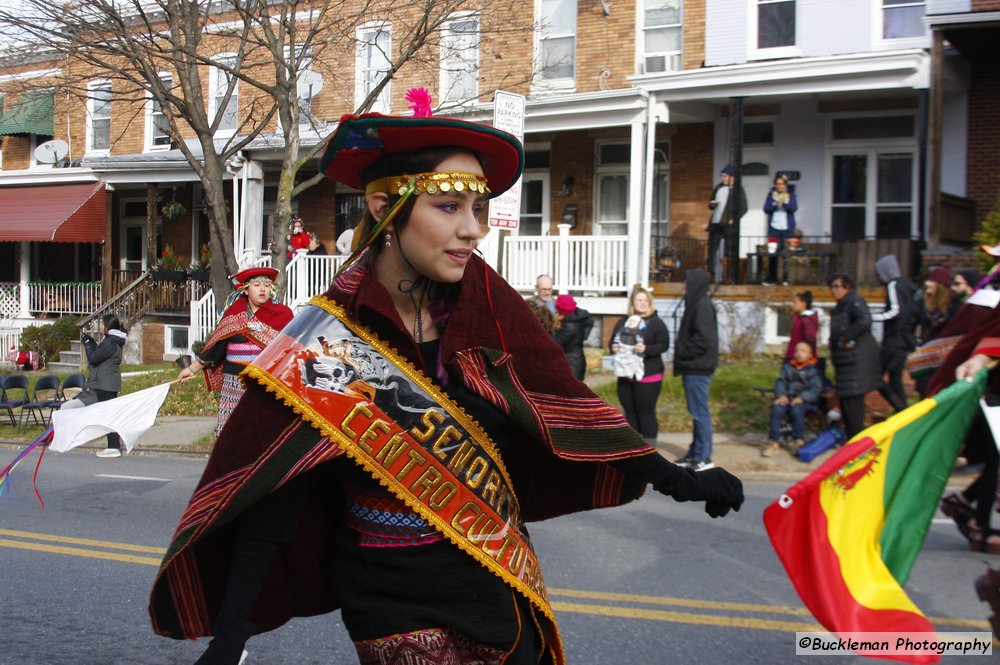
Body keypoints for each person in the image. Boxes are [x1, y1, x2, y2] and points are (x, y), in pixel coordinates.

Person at [150, 110, 743, 665]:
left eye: (479, 209)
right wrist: (228, 639)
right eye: (449, 207)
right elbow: (275, 487)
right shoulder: (323, 340)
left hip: (496, 581)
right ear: (385, 206)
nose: (472, 230)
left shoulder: (488, 309)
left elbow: (566, 411)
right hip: (390, 599)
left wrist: (677, 479)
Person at [177, 267, 294, 434]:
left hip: (266, 385)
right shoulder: (233, 314)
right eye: (257, 285)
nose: (263, 289)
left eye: (267, 285)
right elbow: (216, 348)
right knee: (231, 434)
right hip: (234, 383)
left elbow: (291, 351)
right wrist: (191, 369)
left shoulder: (283, 315)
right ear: (245, 290)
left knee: (263, 434)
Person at [60, 314, 128, 458]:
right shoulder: (112, 340)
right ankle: (113, 446)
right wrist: (92, 344)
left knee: (107, 416)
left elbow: (95, 358)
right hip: (104, 383)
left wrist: (89, 343)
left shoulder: (111, 341)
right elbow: (100, 355)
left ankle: (113, 447)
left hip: (104, 384)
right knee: (107, 415)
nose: (101, 327)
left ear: (108, 327)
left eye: (103, 324)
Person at [609, 287, 670, 445]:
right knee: (630, 411)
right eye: (639, 300)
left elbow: (664, 344)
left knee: (645, 412)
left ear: (649, 303)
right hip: (625, 373)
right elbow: (613, 341)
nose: (642, 303)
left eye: (645, 300)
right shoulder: (624, 322)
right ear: (633, 303)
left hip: (648, 374)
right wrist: (614, 348)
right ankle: (633, 448)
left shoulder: (656, 323)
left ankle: (650, 451)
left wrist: (647, 349)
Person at [674, 269, 719, 470]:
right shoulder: (696, 303)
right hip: (693, 367)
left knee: (700, 412)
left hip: (698, 368)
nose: (684, 286)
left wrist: (682, 351)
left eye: (686, 282)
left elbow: (704, 340)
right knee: (696, 412)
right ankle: (695, 452)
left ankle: (704, 456)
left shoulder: (702, 306)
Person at [827, 273, 880, 439]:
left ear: (847, 287)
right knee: (846, 405)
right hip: (845, 363)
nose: (833, 290)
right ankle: (851, 442)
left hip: (855, 363)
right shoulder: (842, 305)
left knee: (853, 406)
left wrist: (846, 337)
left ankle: (856, 445)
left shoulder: (853, 301)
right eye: (832, 287)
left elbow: (864, 321)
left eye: (837, 286)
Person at [870, 254, 917, 413]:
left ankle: (901, 408)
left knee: (875, 377)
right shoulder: (908, 286)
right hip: (904, 341)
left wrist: (871, 318)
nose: (877, 277)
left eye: (878, 273)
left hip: (893, 341)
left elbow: (895, 311)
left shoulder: (893, 285)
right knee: (895, 379)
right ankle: (903, 414)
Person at [761, 341, 823, 457]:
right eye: (797, 350)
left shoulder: (813, 370)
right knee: (777, 408)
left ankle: (798, 440)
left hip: (804, 401)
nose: (799, 353)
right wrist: (781, 395)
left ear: (809, 355)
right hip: (787, 398)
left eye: (803, 351)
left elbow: (816, 389)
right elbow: (780, 382)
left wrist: (802, 397)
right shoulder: (788, 367)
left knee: (797, 410)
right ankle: (773, 441)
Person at [706, 164, 747, 280]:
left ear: (731, 177)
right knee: (712, 250)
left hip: (728, 224)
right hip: (715, 223)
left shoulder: (738, 189)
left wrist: (734, 218)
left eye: (724, 176)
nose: (722, 178)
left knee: (728, 251)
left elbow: (744, 208)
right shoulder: (718, 187)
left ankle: (727, 276)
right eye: (722, 176)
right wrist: (712, 204)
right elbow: (710, 203)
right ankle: (711, 274)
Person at [762, 174, 798, 285]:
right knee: (772, 253)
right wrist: (775, 204)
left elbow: (793, 208)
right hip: (774, 229)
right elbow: (766, 209)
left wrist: (784, 203)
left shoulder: (790, 195)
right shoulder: (771, 195)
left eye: (781, 184)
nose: (779, 186)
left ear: (785, 185)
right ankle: (772, 278)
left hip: (787, 230)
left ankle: (786, 278)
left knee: (786, 253)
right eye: (777, 184)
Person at [553, 294, 594, 381]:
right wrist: (584, 336)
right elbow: (590, 322)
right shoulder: (578, 317)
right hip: (576, 361)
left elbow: (555, 343)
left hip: (571, 365)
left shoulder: (570, 326)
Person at [785, 290, 818, 361]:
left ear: (803, 304)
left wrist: (804, 356)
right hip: (794, 356)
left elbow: (810, 340)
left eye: (795, 303)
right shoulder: (799, 318)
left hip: (801, 359)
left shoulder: (807, 320)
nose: (792, 305)